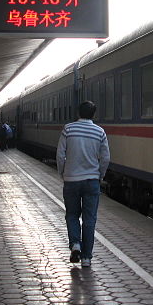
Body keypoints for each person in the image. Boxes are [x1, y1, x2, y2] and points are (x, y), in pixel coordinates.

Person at [56, 101, 110, 268]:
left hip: (71, 180)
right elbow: (106, 158)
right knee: (89, 219)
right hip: (92, 181)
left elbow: (60, 154)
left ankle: (75, 244)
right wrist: (100, 175)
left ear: (78, 112)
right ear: (94, 114)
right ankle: (86, 258)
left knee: (72, 215)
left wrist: (63, 172)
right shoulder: (100, 132)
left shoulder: (69, 129)